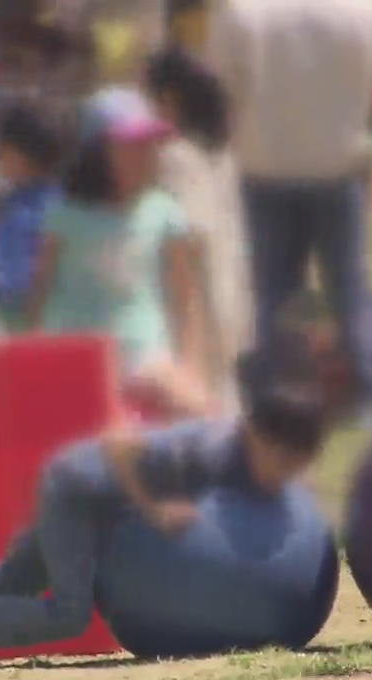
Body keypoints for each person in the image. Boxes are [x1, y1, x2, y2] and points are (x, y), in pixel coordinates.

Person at [0, 372, 327, 670]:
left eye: (298, 465)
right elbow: (119, 445)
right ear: (257, 435)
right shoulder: (211, 448)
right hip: (80, 496)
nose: (287, 475)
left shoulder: (246, 461)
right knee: (69, 614)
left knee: (7, 580)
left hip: (80, 490)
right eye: (284, 461)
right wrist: (152, 508)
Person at [207, 0, 372, 424]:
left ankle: (279, 390)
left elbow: (224, 81)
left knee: (273, 286)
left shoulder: (241, 11)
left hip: (265, 163)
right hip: (339, 163)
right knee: (349, 283)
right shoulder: (364, 10)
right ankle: (370, 394)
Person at [26, 87, 209, 422]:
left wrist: (190, 367)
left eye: (149, 145)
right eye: (131, 146)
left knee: (202, 413)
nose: (146, 154)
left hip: (144, 353)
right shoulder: (65, 215)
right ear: (97, 151)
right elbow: (42, 290)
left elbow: (186, 298)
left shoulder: (164, 213)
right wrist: (36, 356)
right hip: (75, 352)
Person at [146, 48, 252, 416]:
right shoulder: (225, 153)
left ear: (169, 99)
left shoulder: (174, 157)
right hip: (233, 269)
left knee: (207, 381)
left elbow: (190, 228)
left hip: (199, 279)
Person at [0, 102, 64, 331]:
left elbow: (12, 278)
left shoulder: (28, 211)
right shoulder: (12, 200)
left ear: (16, 154)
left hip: (24, 316)